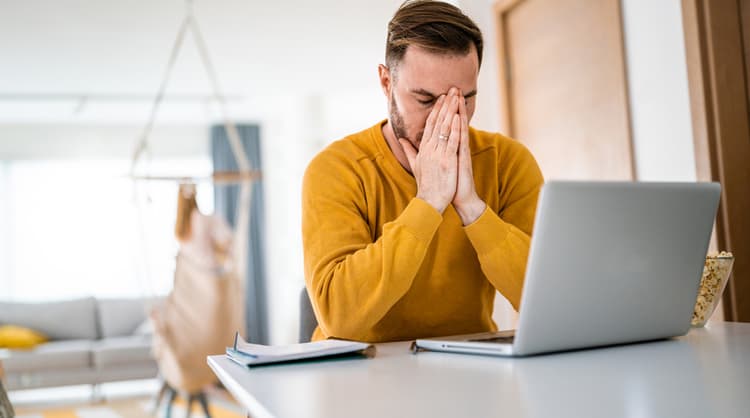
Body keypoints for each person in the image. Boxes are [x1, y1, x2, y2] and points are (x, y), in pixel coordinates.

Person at [302, 0, 543, 343]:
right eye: (427, 100)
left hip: (468, 365)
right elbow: (339, 319)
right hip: (357, 371)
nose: (446, 119)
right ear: (386, 83)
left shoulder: (508, 162)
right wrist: (428, 202)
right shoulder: (336, 169)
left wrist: (472, 207)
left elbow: (543, 300)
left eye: (464, 99)